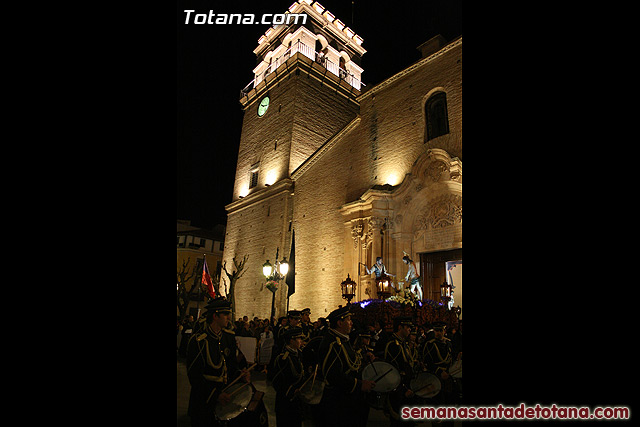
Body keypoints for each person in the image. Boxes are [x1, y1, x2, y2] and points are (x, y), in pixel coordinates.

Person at [185, 297, 251, 427]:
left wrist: (240, 374)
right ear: (215, 316)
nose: (228, 318)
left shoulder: (228, 337)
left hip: (226, 397)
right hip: (204, 400)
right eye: (225, 314)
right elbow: (194, 376)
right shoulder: (199, 341)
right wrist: (215, 395)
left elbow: (231, 365)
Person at [317, 306, 376, 426]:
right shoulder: (333, 343)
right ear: (339, 323)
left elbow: (348, 362)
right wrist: (359, 384)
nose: (351, 323)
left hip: (347, 399)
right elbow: (333, 375)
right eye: (348, 320)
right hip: (339, 402)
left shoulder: (342, 340)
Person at [384, 316, 418, 426]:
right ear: (400, 327)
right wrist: (403, 389)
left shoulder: (404, 343)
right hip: (398, 390)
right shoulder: (392, 344)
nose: (409, 329)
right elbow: (391, 370)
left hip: (408, 387)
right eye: (407, 327)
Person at [272, 326, 306, 427]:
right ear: (292, 340)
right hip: (286, 402)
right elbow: (276, 381)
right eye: (299, 339)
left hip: (296, 401)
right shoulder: (283, 358)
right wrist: (291, 391)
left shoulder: (298, 354)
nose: (301, 341)